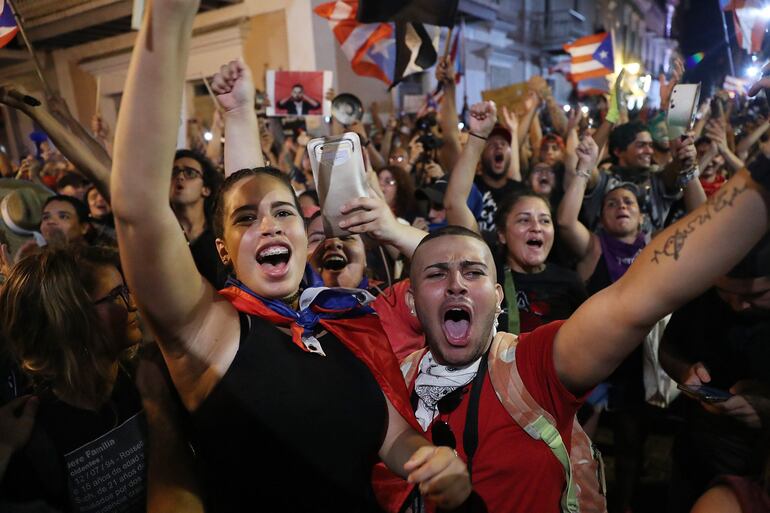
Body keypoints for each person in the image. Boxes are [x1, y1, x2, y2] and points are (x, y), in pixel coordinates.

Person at [110, 4, 470, 512]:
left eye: (284, 213)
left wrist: (434, 462)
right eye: (247, 221)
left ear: (305, 232)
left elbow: (393, 439)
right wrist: (169, 19)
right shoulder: (207, 331)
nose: (270, 225)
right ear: (222, 251)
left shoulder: (342, 324)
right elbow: (138, 209)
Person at [373, 102, 770, 513]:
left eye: (473, 272)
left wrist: (760, 177)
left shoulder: (531, 365)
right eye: (437, 274)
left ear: (499, 297)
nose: (456, 283)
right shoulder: (393, 383)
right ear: (412, 302)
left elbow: (640, 296)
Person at [659, 235, 770, 513]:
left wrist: (765, 406)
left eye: (754, 296)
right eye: (725, 293)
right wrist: (685, 371)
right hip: (696, 450)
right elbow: (668, 348)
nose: (737, 305)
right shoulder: (703, 293)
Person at [170, 149, 224, 288]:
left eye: (190, 173)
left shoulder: (221, 235)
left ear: (205, 189)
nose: (180, 177)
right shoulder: (158, 235)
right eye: (174, 172)